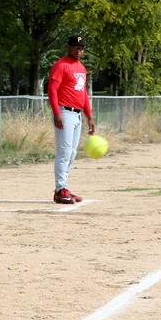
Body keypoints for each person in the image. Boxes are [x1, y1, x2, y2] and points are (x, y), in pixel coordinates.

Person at [48, 34, 96, 204]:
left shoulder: (81, 68)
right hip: (64, 112)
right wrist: (56, 113)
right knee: (64, 152)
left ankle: (63, 188)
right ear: (68, 47)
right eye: (76, 47)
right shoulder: (61, 65)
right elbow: (52, 90)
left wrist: (89, 116)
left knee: (72, 153)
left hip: (77, 114)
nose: (79, 50)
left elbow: (83, 94)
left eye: (82, 48)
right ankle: (61, 189)